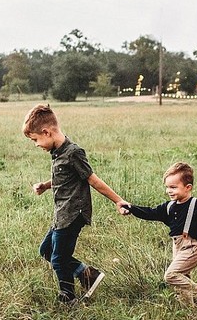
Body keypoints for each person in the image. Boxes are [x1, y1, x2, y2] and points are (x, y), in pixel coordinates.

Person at [23, 104, 129, 305]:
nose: (36, 144)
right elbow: (65, 177)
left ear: (47, 132)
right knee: (46, 250)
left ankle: (68, 298)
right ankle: (88, 275)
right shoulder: (58, 152)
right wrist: (46, 185)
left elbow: (92, 179)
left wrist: (118, 201)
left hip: (73, 214)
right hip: (61, 214)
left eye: (36, 140)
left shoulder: (73, 152)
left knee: (58, 259)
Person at [123, 162, 197, 311]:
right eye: (167, 187)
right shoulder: (169, 206)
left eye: (173, 187)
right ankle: (189, 311)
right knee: (182, 284)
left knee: (171, 275)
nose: (169, 191)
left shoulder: (196, 204)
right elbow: (150, 213)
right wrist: (131, 208)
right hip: (177, 247)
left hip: (192, 248)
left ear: (188, 187)